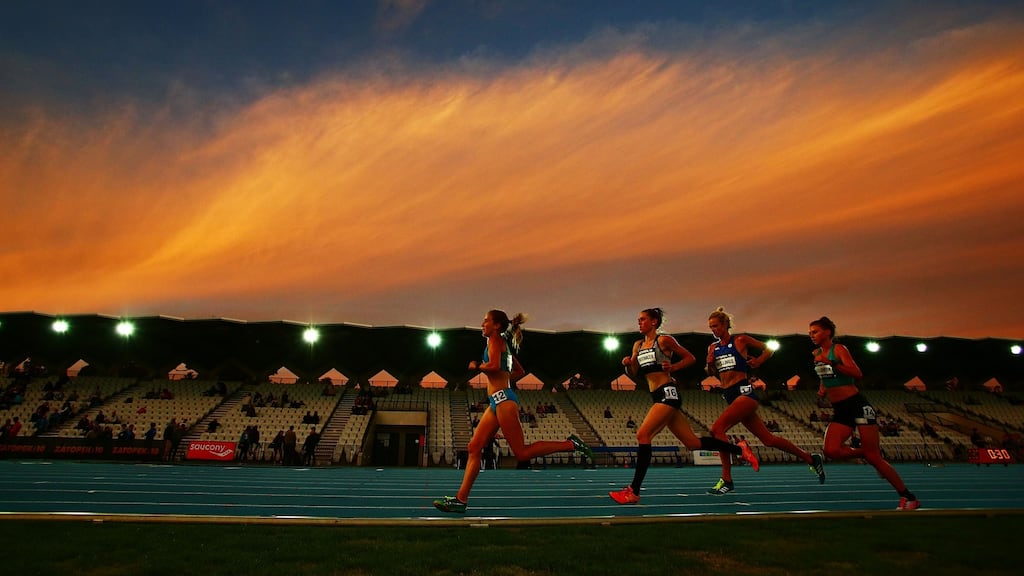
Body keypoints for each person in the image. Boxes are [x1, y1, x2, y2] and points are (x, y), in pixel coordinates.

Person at [433, 310, 593, 514]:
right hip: (497, 400)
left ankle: (572, 444)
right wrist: (501, 381)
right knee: (474, 447)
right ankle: (460, 500)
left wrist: (477, 366)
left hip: (503, 401)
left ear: (497, 325)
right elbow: (519, 371)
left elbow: (491, 366)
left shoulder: (494, 341)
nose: (482, 324)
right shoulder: (502, 344)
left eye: (486, 321)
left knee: (521, 453)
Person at [609, 308, 759, 504]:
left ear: (654, 322)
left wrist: (673, 367)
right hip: (655, 395)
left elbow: (690, 358)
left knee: (642, 435)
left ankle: (633, 491)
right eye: (638, 320)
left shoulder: (663, 341)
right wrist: (628, 363)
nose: (639, 323)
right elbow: (635, 373)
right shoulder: (638, 345)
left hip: (668, 393)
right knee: (692, 443)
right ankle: (740, 450)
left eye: (643, 319)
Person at [705, 307, 825, 495]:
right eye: (711, 327)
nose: (713, 330)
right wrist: (710, 363)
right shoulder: (713, 348)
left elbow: (769, 348)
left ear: (726, 325)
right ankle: (811, 459)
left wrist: (759, 361)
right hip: (728, 394)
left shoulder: (740, 340)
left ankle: (727, 479)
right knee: (768, 440)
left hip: (744, 393)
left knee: (716, 430)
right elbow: (712, 373)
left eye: (716, 326)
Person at [810, 316, 920, 510]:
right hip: (840, 409)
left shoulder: (840, 350)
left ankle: (909, 497)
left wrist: (832, 362)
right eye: (810, 333)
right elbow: (824, 374)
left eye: (815, 331)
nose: (812, 335)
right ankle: (868, 453)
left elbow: (857, 373)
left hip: (857, 404)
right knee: (831, 450)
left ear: (827, 332)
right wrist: (822, 388)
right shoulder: (816, 353)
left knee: (875, 458)